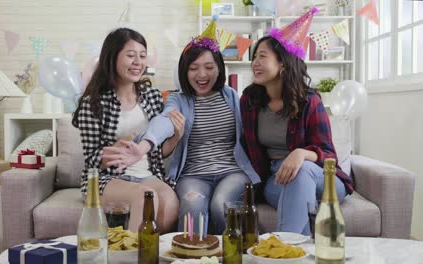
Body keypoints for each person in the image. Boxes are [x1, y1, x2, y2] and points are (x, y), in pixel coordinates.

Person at [108, 18, 261, 234]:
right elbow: (163, 122)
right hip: (192, 175)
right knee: (192, 207)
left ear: (219, 69)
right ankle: (191, 257)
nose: (202, 75)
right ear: (184, 71)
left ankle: (236, 256)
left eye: (209, 67)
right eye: (193, 68)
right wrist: (143, 147)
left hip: (232, 173)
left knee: (221, 204)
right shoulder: (178, 100)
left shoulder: (232, 96)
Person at [240, 8, 354, 235]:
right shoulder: (249, 101)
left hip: (323, 177)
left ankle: (284, 251)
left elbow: (328, 155)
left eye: (262, 56)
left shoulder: (309, 102)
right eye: (254, 57)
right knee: (296, 189)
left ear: (282, 63)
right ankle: (296, 254)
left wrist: (300, 154)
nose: (255, 63)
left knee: (300, 174)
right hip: (276, 178)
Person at [72, 28, 180, 233]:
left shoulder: (153, 96)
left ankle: (149, 255)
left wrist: (175, 137)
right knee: (146, 196)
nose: (138, 62)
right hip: (108, 179)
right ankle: (129, 255)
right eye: (130, 56)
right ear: (112, 58)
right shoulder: (93, 103)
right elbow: (92, 159)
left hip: (148, 173)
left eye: (142, 56)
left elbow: (157, 151)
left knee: (171, 203)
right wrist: (116, 151)